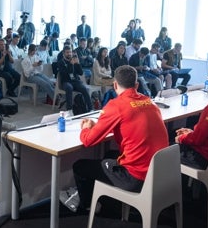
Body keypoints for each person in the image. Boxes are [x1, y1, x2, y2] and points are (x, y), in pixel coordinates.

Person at [64, 65, 168, 212]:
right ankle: (110, 201)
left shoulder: (116, 106)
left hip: (135, 178)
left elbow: (88, 141)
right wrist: (100, 125)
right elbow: (129, 123)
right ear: (137, 85)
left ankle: (87, 207)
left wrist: (86, 129)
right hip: (157, 174)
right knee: (109, 155)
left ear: (114, 85)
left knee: (80, 166)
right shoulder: (150, 102)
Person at [57, 45, 91, 110]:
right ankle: (69, 109)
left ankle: (90, 108)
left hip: (75, 81)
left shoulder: (74, 60)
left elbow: (80, 73)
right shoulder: (60, 62)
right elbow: (67, 73)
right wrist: (71, 64)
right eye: (67, 52)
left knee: (84, 88)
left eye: (70, 52)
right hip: (66, 81)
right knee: (69, 88)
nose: (69, 54)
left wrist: (78, 64)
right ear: (63, 53)